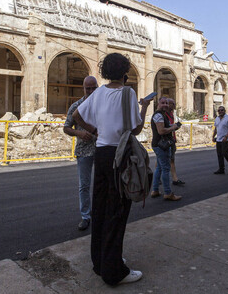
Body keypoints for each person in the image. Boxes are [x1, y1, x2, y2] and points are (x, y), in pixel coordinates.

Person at [73, 53, 150, 286]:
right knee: (117, 211)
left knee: (100, 208)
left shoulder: (98, 93)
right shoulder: (128, 93)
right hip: (120, 155)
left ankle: (101, 261)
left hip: (101, 153)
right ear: (125, 71)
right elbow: (135, 129)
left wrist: (96, 131)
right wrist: (143, 109)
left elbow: (77, 115)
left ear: (105, 71)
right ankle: (114, 271)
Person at [63, 76, 99, 231]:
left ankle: (100, 214)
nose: (90, 91)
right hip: (84, 150)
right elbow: (66, 127)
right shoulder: (76, 106)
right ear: (83, 88)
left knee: (101, 183)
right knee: (84, 185)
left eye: (93, 88)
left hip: (101, 149)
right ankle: (85, 216)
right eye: (87, 88)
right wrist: (79, 133)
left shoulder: (102, 106)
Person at [150, 97, 182, 201]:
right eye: (163, 103)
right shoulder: (159, 115)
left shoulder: (162, 115)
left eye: (167, 103)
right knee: (166, 168)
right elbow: (161, 131)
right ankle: (168, 192)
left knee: (159, 168)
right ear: (158, 103)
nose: (165, 105)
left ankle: (155, 190)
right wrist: (173, 128)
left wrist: (173, 126)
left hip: (159, 144)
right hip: (161, 145)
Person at [212, 106, 228, 174]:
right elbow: (216, 129)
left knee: (225, 153)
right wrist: (213, 136)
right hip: (219, 139)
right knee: (219, 154)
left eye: (222, 110)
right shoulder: (217, 119)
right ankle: (221, 169)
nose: (220, 112)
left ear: (225, 111)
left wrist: (226, 136)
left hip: (226, 139)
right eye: (219, 110)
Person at [167, 98, 185, 186]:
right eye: (172, 104)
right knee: (161, 161)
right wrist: (173, 127)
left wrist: (176, 127)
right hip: (166, 141)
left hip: (171, 139)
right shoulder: (164, 115)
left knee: (171, 160)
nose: (174, 106)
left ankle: (175, 178)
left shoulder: (171, 114)